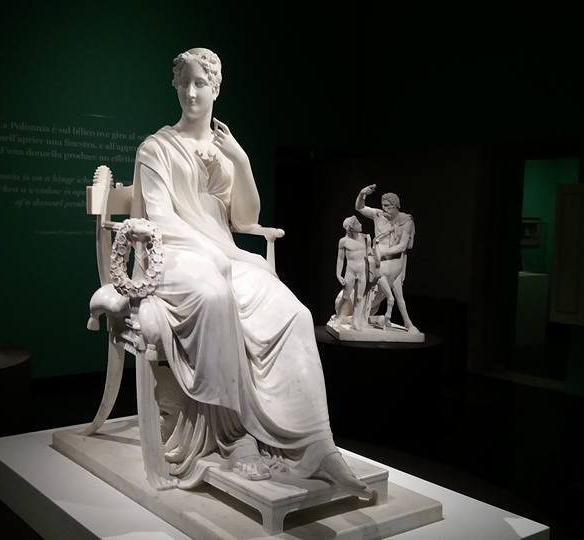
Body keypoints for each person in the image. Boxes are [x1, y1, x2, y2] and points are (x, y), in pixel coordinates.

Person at [131, 47, 372, 498]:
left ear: (216, 89)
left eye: (201, 83)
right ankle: (235, 436)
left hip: (224, 255)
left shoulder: (224, 149)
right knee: (215, 297)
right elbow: (160, 220)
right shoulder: (155, 148)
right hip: (175, 257)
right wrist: (228, 255)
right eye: (184, 83)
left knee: (295, 314)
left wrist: (239, 161)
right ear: (175, 86)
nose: (191, 92)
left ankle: (317, 445)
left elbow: (244, 219)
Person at [355, 184, 418, 333]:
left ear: (396, 206)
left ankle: (408, 323)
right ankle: (361, 315)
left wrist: (383, 252)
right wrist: (362, 194)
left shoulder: (406, 222)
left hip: (393, 260)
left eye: (388, 206)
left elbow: (403, 246)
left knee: (399, 296)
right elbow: (360, 207)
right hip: (377, 261)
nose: (384, 209)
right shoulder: (378, 215)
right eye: (383, 205)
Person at [334, 216, 369, 330]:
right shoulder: (343, 241)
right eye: (358, 224)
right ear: (351, 228)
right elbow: (340, 259)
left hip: (362, 272)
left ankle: (356, 320)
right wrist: (338, 274)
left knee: (359, 298)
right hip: (350, 272)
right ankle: (339, 318)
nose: (361, 225)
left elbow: (369, 256)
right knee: (345, 297)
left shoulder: (365, 238)